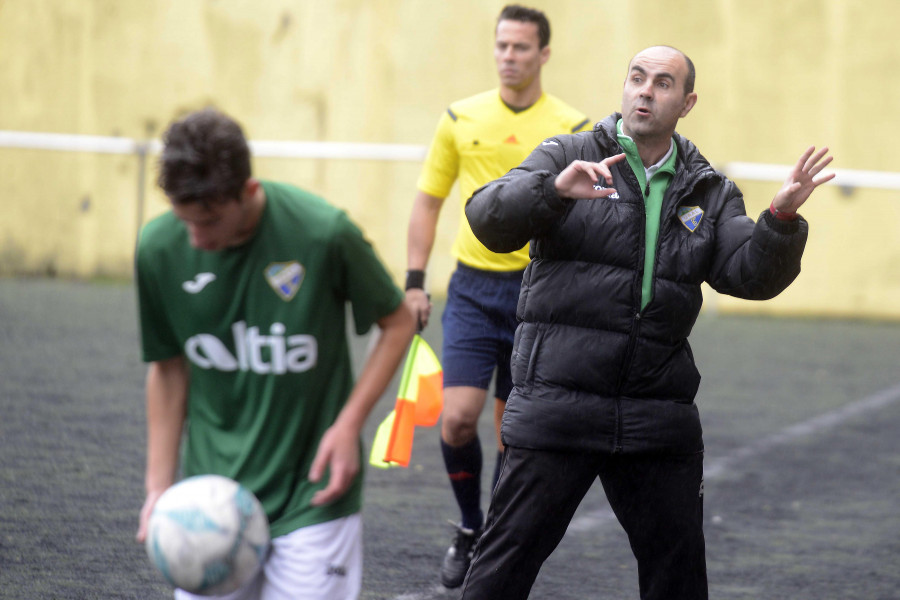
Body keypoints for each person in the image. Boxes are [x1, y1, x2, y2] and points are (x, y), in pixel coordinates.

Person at [461, 46, 834, 599]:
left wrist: (779, 220)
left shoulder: (709, 190)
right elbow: (487, 219)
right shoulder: (568, 153)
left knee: (678, 580)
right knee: (500, 571)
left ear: (686, 103)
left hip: (656, 416)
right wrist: (554, 191)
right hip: (557, 406)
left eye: (663, 83)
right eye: (637, 78)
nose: (645, 91)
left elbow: (748, 276)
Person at [133, 108, 416, 599]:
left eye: (210, 220)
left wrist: (348, 425)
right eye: (185, 222)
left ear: (248, 190)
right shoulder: (159, 249)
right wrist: (159, 488)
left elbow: (399, 321)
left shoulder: (323, 233)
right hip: (209, 503)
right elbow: (168, 369)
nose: (197, 239)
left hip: (313, 493)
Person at [404, 5, 590, 588]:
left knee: (514, 433)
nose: (509, 56)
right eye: (502, 46)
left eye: (521, 48)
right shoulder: (460, 117)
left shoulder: (573, 126)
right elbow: (428, 201)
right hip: (472, 289)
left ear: (544, 55)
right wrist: (414, 280)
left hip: (538, 295)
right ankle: (468, 526)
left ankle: (498, 541)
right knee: (458, 419)